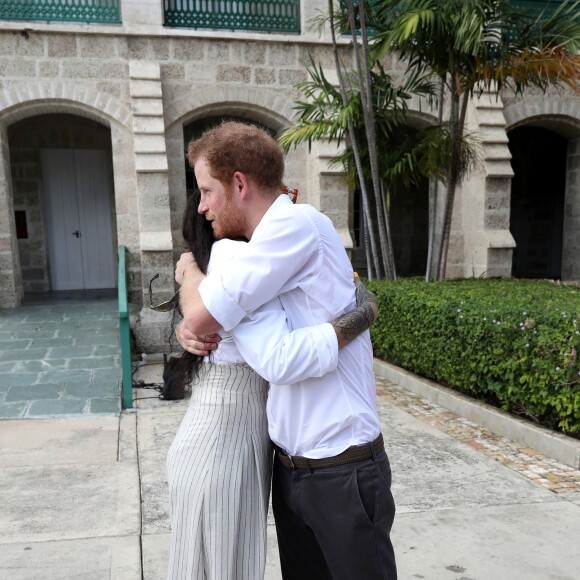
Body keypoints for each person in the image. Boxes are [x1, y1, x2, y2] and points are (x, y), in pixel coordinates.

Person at [175, 121, 397, 580]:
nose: (202, 207)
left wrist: (193, 278)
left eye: (207, 191)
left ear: (239, 183)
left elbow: (268, 354)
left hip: (343, 466)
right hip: (292, 470)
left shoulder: (292, 225)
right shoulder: (257, 253)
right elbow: (215, 326)